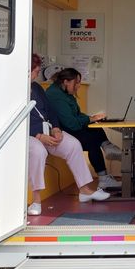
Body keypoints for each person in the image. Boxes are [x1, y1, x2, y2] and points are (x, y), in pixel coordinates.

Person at [28, 55, 109, 216]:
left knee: (73, 144)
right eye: (35, 71)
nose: (37, 74)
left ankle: (85, 190)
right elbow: (17, 118)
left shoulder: (36, 88)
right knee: (38, 151)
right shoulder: (12, 90)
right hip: (29, 135)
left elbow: (50, 111)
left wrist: (56, 128)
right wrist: (38, 136)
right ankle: (36, 200)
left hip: (48, 131)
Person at [45, 68, 122, 190]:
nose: (79, 86)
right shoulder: (55, 96)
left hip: (68, 128)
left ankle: (108, 150)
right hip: (61, 132)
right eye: (77, 82)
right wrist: (90, 119)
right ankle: (106, 168)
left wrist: (93, 118)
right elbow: (71, 123)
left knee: (95, 127)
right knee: (92, 141)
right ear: (66, 82)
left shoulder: (65, 93)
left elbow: (77, 115)